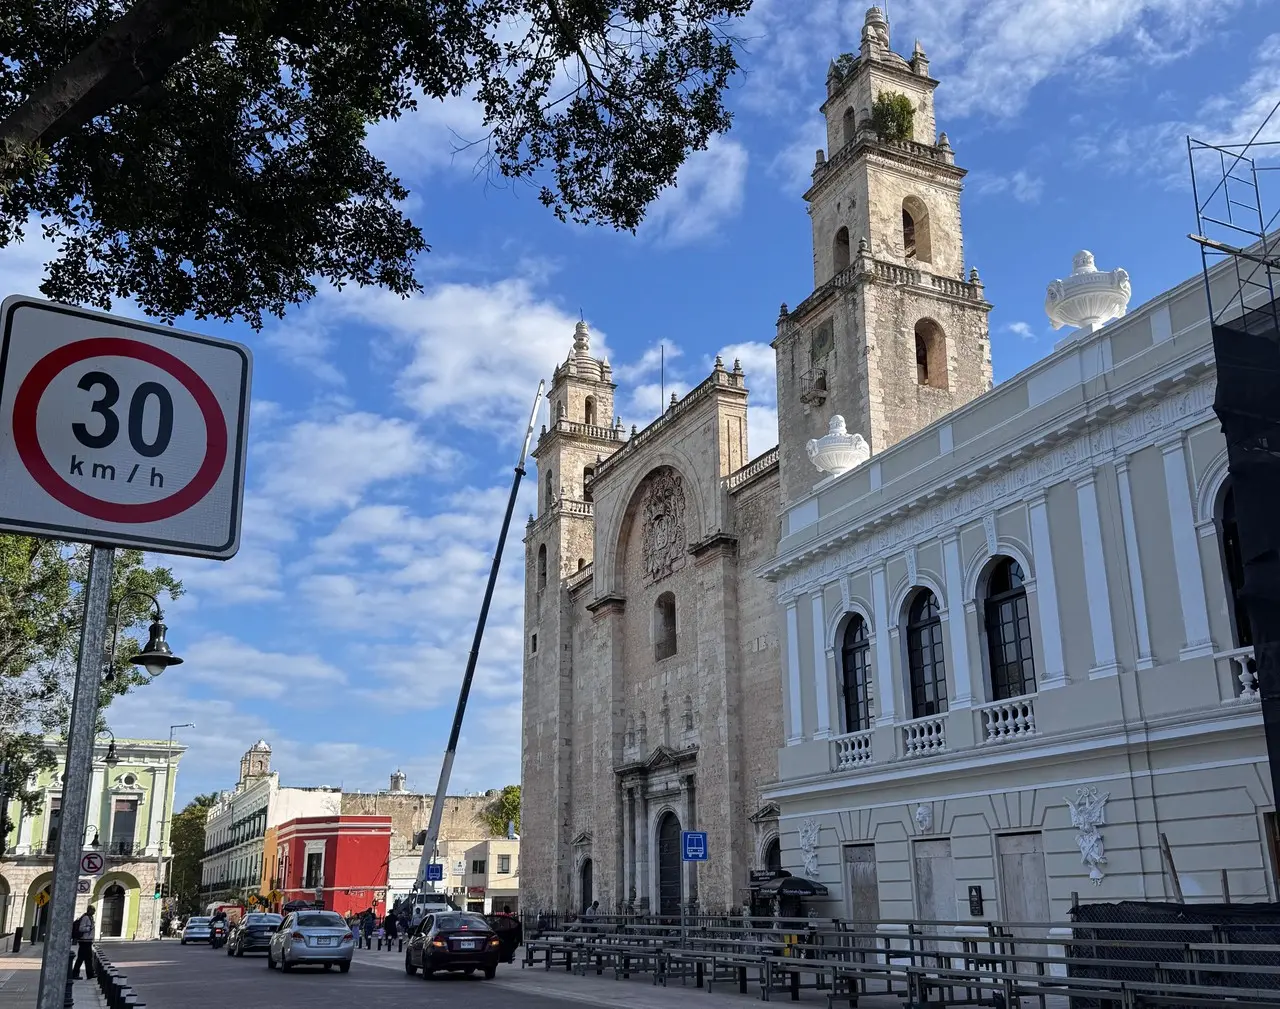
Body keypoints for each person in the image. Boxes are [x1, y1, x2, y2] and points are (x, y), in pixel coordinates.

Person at [70, 906, 95, 979]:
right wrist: (89, 928)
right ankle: (76, 974)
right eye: (93, 910)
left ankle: (89, 974)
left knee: (87, 958)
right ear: (89, 910)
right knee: (83, 958)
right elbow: (81, 928)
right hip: (84, 941)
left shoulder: (90, 918)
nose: (94, 912)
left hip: (87, 941)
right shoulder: (85, 918)